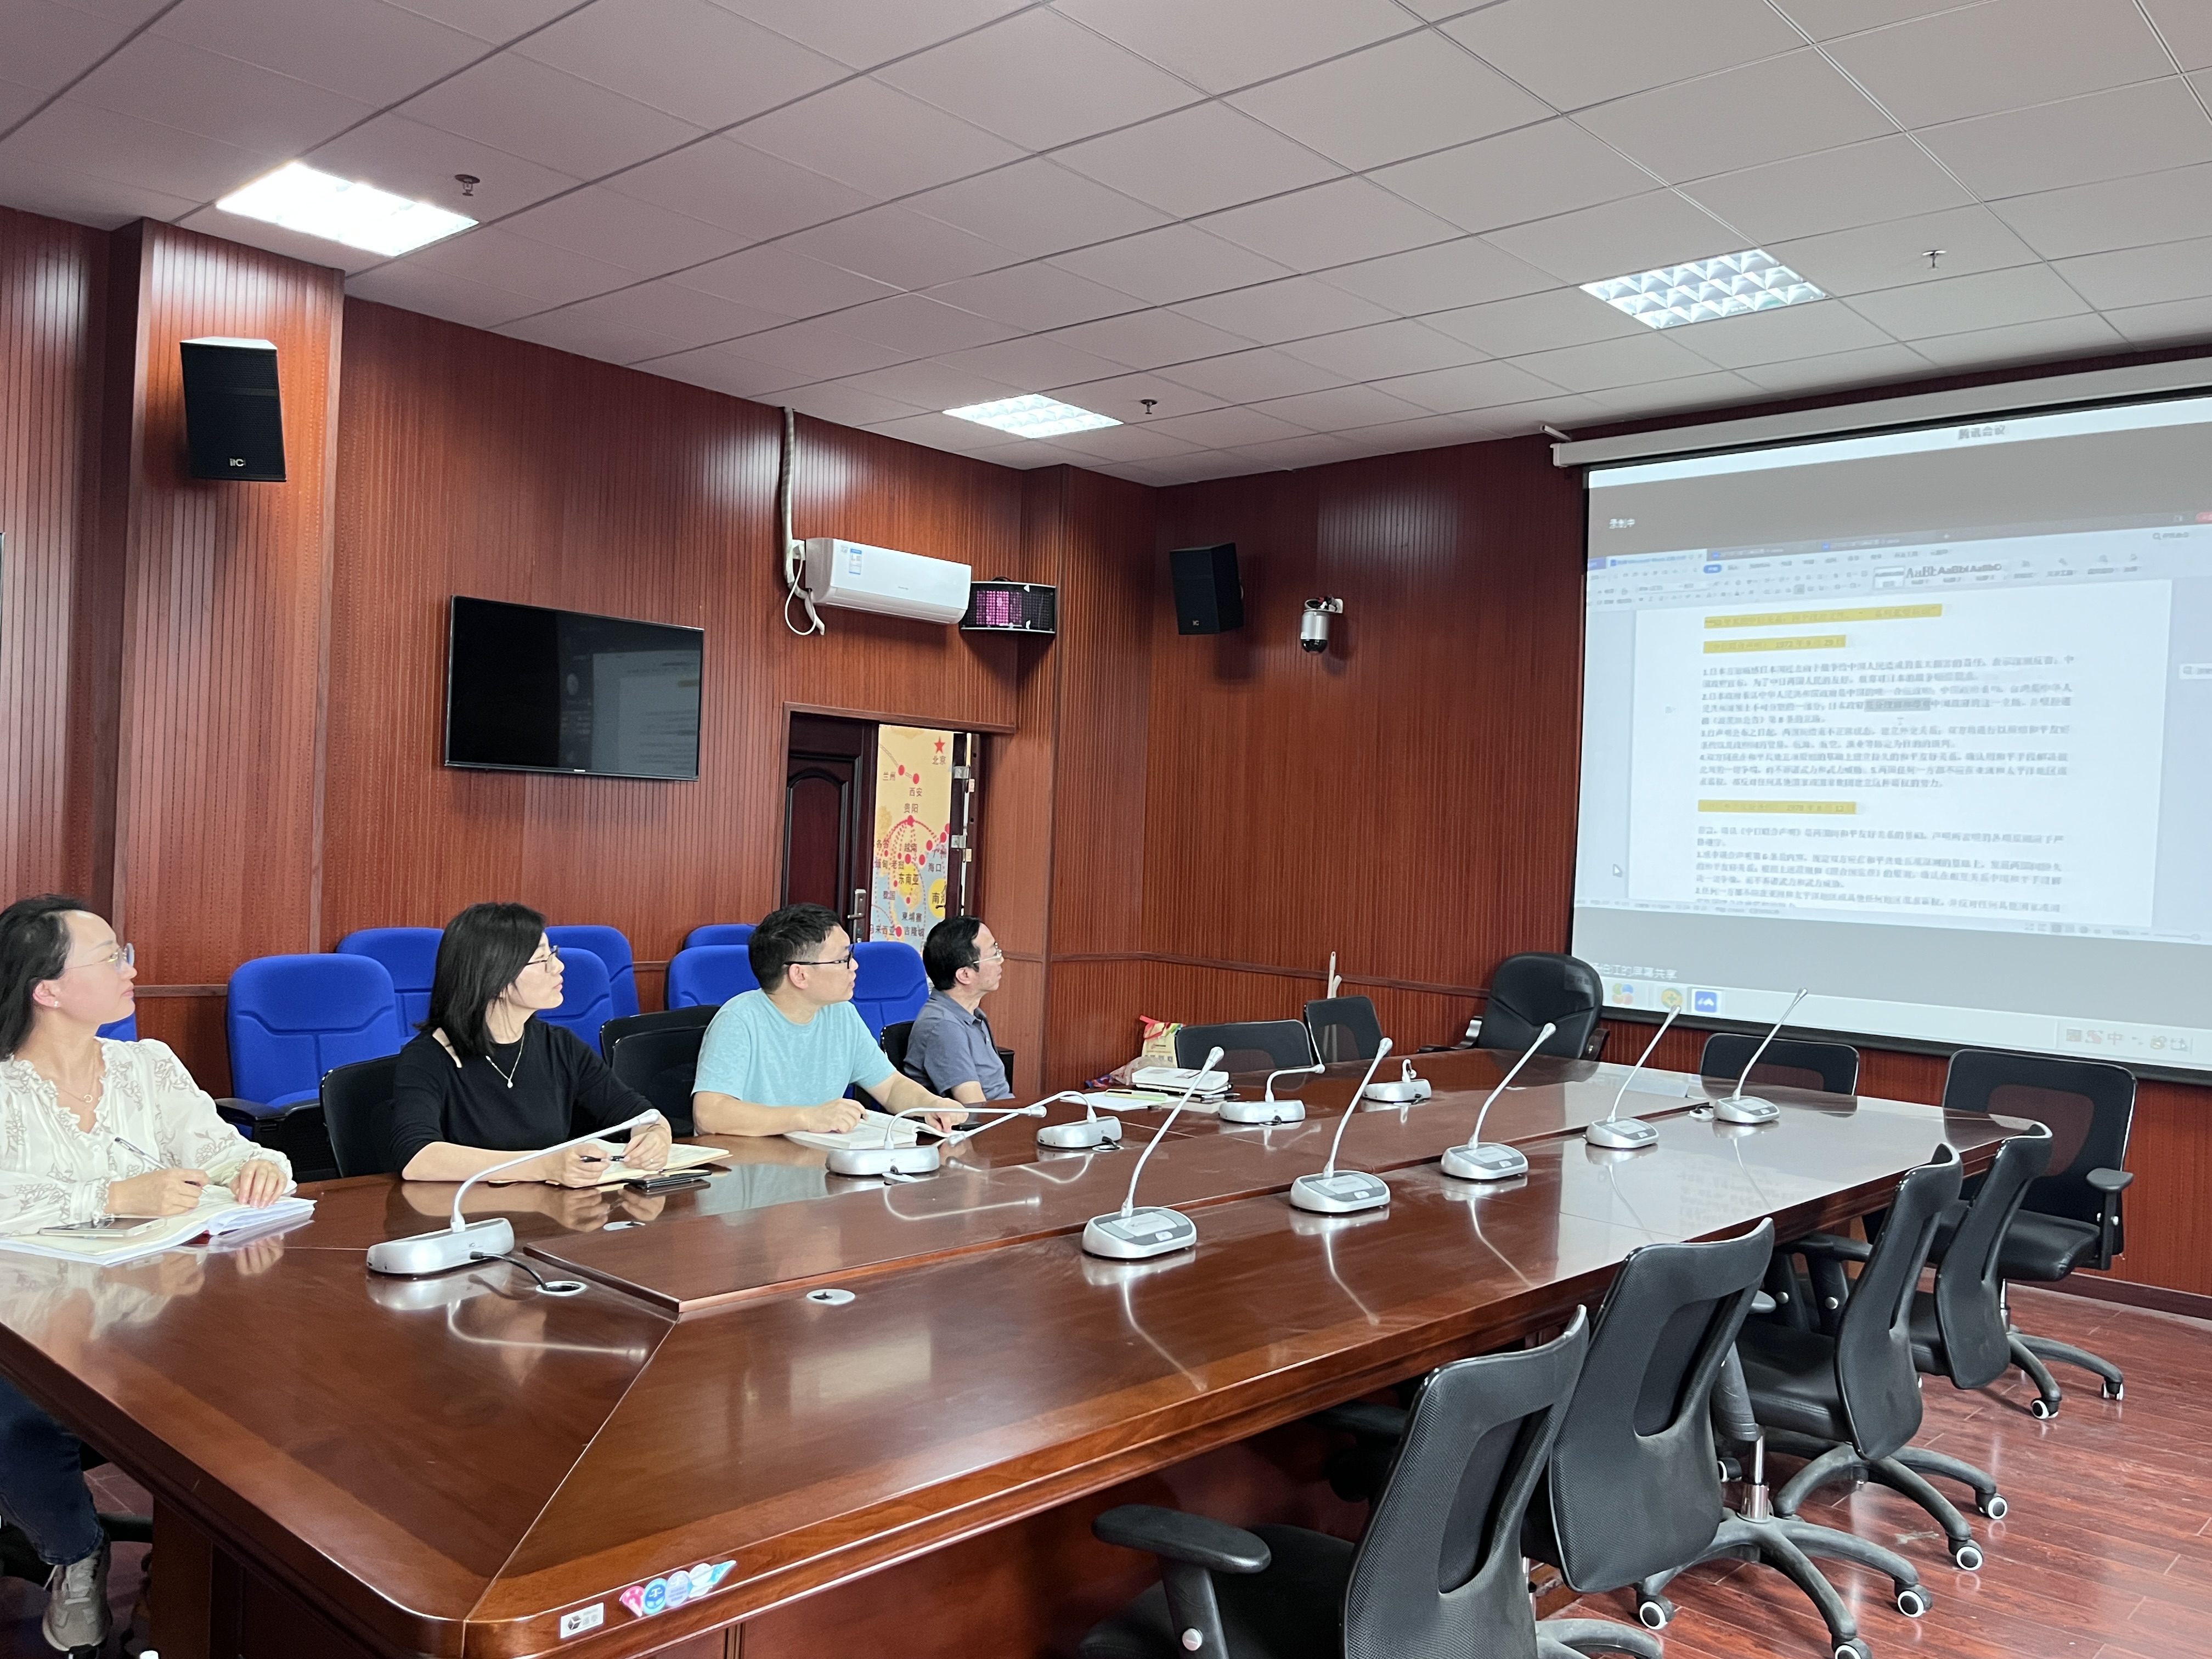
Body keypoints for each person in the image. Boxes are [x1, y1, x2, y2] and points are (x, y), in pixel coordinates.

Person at [0, 893, 296, 1652]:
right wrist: (110, 1197)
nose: (132, 969)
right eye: (112, 957)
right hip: (25, 1322)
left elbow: (223, 1150)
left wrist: (260, 1165)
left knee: (244, 1383)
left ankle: (201, 1578)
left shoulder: (148, 1065)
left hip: (152, 1311)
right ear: (47, 989)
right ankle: (75, 1552)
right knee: (14, 1412)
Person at [390, 903, 671, 1183]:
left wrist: (655, 1136)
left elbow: (642, 1115)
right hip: (469, 1208)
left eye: (552, 953)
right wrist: (545, 1166)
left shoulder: (560, 1046)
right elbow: (417, 1157)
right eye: (541, 959)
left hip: (550, 1206)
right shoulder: (428, 1056)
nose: (558, 966)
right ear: (496, 979)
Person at [692, 904, 967, 1137]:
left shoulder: (841, 1013)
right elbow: (709, 1114)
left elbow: (891, 1086)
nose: (854, 966)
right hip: (752, 1168)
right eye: (843, 959)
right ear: (800, 975)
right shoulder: (739, 1020)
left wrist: (931, 1104)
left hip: (817, 1163)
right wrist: (807, 1117)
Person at [903, 917, 1013, 1104]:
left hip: (1005, 1113)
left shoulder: (974, 1014)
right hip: (986, 1119)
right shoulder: (943, 1026)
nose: (1001, 960)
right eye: (994, 954)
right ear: (965, 975)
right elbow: (975, 1107)